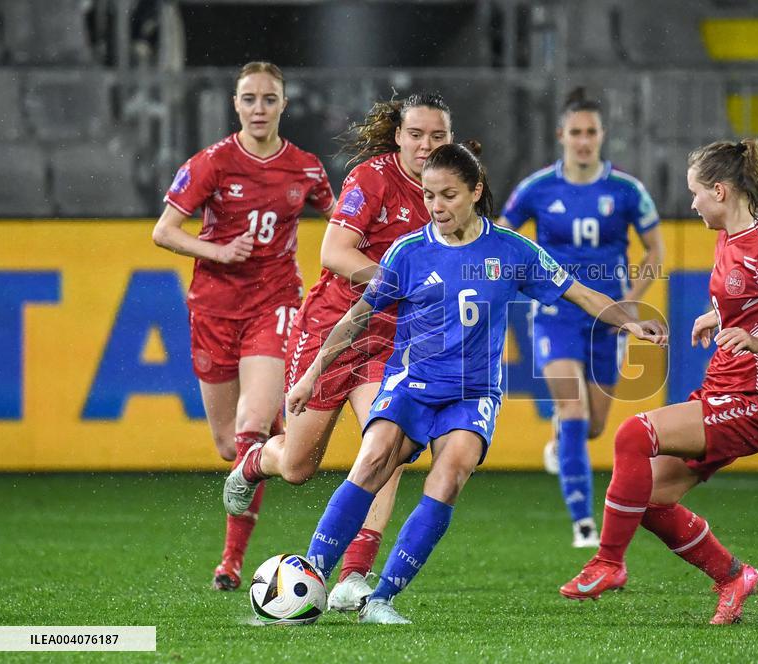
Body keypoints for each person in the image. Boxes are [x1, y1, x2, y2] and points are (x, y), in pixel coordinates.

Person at [287, 142, 667, 624]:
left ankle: (379, 600)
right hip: (412, 384)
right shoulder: (408, 252)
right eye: (428, 196)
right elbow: (356, 317)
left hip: (472, 393)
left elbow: (577, 291)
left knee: (450, 476)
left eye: (448, 195)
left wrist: (628, 318)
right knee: (374, 457)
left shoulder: (511, 251)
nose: (437, 207)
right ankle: (310, 575)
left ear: (476, 191)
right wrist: (312, 373)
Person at [559, 138, 758, 625]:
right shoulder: (731, 237)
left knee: (632, 434)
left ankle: (608, 563)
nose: (692, 202)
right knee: (649, 498)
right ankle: (733, 577)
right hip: (723, 388)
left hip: (754, 400)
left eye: (696, 192)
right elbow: (752, 302)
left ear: (721, 191)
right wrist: (717, 315)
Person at [222, 93, 453, 610]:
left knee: (386, 446)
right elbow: (333, 252)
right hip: (333, 326)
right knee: (299, 468)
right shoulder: (372, 178)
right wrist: (399, 283)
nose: (426, 145)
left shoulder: (453, 192)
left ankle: (354, 574)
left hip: (393, 340)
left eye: (437, 137)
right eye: (416, 134)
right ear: (399, 136)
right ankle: (257, 461)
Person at [152, 62, 336, 590]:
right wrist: (217, 251)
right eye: (250, 99)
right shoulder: (211, 163)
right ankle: (281, 442)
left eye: (269, 99)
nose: (259, 108)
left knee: (249, 428)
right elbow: (164, 232)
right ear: (236, 104)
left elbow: (343, 220)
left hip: (275, 304)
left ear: (283, 104)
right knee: (230, 446)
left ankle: (230, 562)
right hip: (213, 308)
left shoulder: (304, 168)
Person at [497, 87, 664, 548]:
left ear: (602, 135)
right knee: (572, 408)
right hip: (554, 313)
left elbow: (655, 250)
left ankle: (560, 445)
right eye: (576, 132)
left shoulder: (627, 191)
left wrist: (630, 300)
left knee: (591, 425)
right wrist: (512, 278)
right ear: (561, 136)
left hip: (608, 318)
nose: (584, 141)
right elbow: (503, 237)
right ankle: (583, 525)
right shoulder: (535, 188)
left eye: (591, 132)